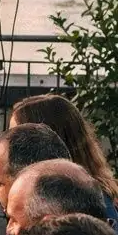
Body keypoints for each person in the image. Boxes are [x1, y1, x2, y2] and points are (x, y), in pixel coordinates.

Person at [10, 93, 118, 222]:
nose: (10, 145)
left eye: (17, 137)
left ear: (47, 140)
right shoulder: (67, 193)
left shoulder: (83, 203)